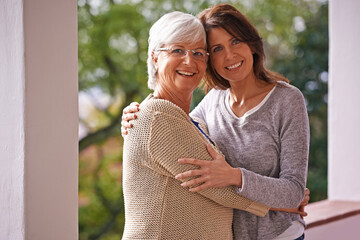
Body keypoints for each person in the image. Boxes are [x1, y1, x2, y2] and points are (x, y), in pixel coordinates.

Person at [122, 4, 310, 240]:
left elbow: (293, 191)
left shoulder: (286, 100)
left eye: (236, 42)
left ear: (252, 44)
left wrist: (236, 176)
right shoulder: (212, 102)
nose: (229, 55)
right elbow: (170, 135)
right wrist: (134, 116)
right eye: (217, 48)